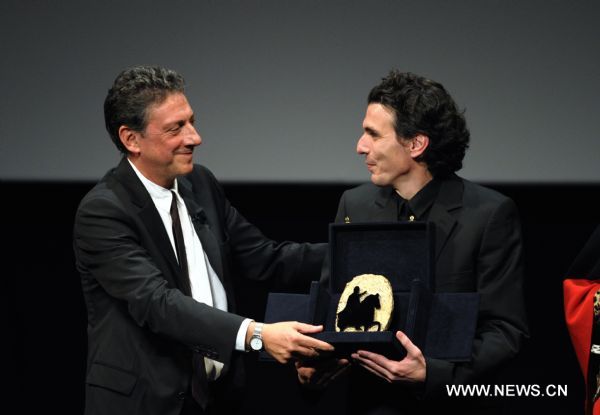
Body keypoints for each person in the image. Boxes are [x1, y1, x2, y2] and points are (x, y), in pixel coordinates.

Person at [73, 65, 333, 415]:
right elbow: (157, 304)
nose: (194, 137)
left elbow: (265, 258)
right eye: (175, 128)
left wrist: (357, 253)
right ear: (131, 139)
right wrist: (256, 336)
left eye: (191, 121)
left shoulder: (200, 184)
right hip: (145, 402)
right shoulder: (103, 211)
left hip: (216, 398)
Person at [296, 70, 529, 414]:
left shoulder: (489, 214)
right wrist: (315, 360)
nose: (360, 146)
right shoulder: (354, 205)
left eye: (373, 135)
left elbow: (506, 331)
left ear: (417, 144)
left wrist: (434, 375)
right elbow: (336, 311)